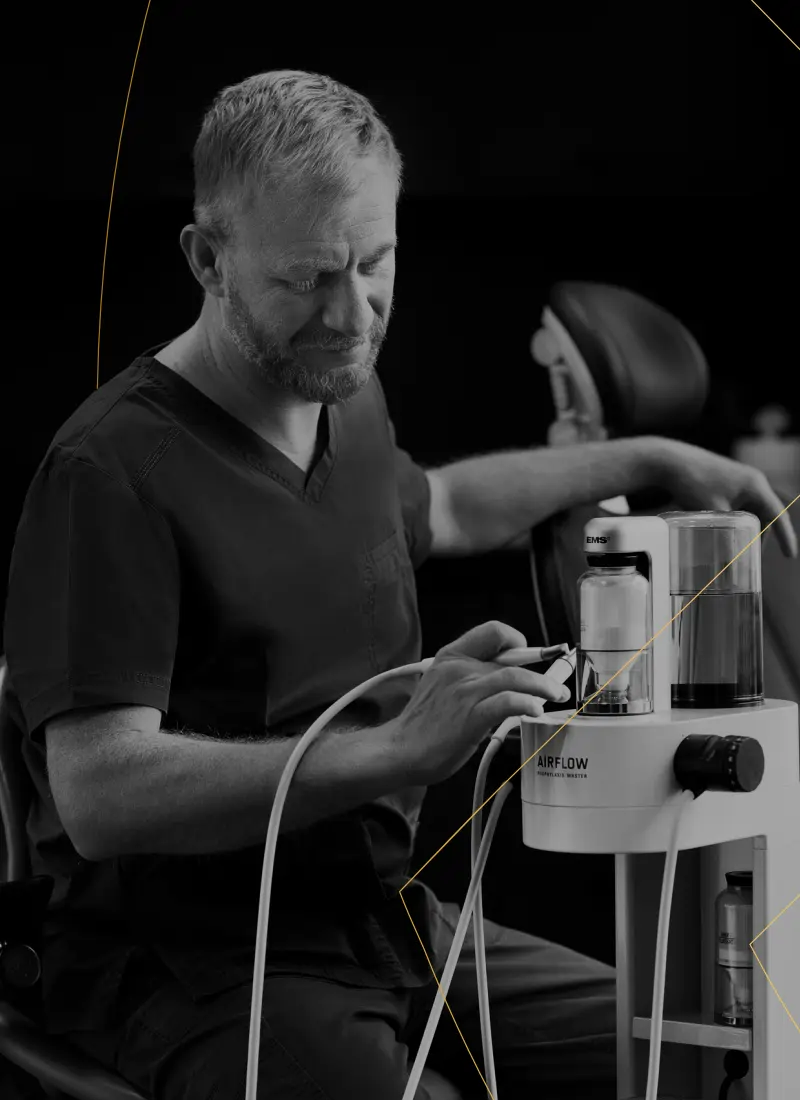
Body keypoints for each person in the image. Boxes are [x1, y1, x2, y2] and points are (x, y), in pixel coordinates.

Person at [4, 70, 795, 1100]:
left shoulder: (343, 392)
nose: (351, 313)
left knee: (714, 1057)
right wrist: (392, 748)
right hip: (200, 964)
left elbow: (445, 505)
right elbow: (98, 791)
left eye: (374, 263)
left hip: (386, 922)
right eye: (306, 278)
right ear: (207, 258)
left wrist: (650, 457)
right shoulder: (110, 472)